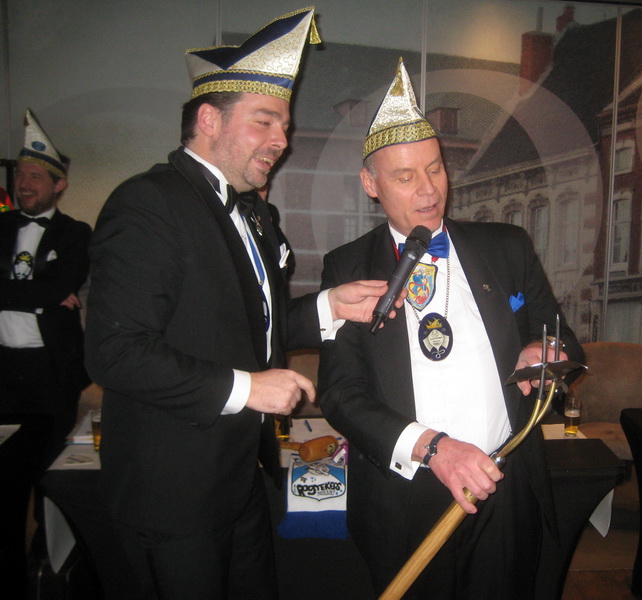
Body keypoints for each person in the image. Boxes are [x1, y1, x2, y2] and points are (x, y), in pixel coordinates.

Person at [84, 9, 394, 599]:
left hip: (242, 479)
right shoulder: (148, 203)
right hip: (171, 494)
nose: (282, 140)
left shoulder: (254, 213)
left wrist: (328, 306)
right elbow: (114, 352)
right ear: (208, 119)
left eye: (285, 125)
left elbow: (252, 330)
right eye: (264, 121)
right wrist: (246, 388)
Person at [318, 59, 584, 599]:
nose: (428, 190)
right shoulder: (346, 268)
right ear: (371, 184)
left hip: (504, 485)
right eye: (405, 176)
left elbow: (563, 340)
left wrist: (544, 351)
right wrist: (435, 448)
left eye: (435, 169)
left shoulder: (507, 247)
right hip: (406, 494)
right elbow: (341, 395)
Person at [0, 109, 91, 596]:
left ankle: (54, 571)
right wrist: (43, 295)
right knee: (5, 481)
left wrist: (46, 292)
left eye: (36, 176)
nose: (24, 183)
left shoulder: (75, 234)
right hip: (3, 374)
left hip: (52, 376)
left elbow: (63, 283)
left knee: (51, 480)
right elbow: (51, 290)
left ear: (59, 185)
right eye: (20, 174)